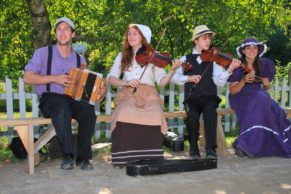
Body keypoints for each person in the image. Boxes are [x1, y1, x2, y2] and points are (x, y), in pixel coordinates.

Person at [24, 17, 99, 170]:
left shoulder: (80, 58)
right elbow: (27, 77)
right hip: (50, 98)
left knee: (88, 110)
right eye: (59, 29)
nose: (62, 32)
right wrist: (54, 78)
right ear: (55, 34)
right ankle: (68, 155)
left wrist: (98, 92)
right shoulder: (42, 53)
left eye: (66, 29)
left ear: (73, 34)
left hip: (73, 99)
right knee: (61, 108)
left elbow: (85, 88)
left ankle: (84, 157)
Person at [107, 24, 181, 168]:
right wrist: (126, 82)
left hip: (149, 94)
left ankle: (151, 157)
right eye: (129, 33)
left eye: (135, 33)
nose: (131, 36)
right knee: (125, 111)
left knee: (155, 112)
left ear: (143, 37)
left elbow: (162, 82)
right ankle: (124, 157)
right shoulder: (122, 55)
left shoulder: (155, 55)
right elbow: (111, 78)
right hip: (128, 93)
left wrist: (171, 70)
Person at [171, 25, 241, 159]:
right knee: (192, 117)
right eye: (204, 38)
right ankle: (193, 148)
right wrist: (188, 78)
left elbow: (219, 82)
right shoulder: (185, 59)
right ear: (196, 40)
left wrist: (230, 69)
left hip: (209, 97)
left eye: (209, 38)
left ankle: (210, 149)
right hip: (192, 98)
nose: (208, 41)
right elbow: (173, 78)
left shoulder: (214, 60)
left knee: (210, 114)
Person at [228, 37, 291, 158]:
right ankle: (246, 144)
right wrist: (243, 80)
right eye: (248, 48)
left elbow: (265, 88)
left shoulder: (265, 64)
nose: (252, 50)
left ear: (258, 50)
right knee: (261, 99)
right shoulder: (237, 66)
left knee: (266, 102)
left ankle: (246, 145)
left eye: (254, 48)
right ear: (243, 51)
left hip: (259, 96)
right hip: (241, 96)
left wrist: (267, 85)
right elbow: (233, 91)